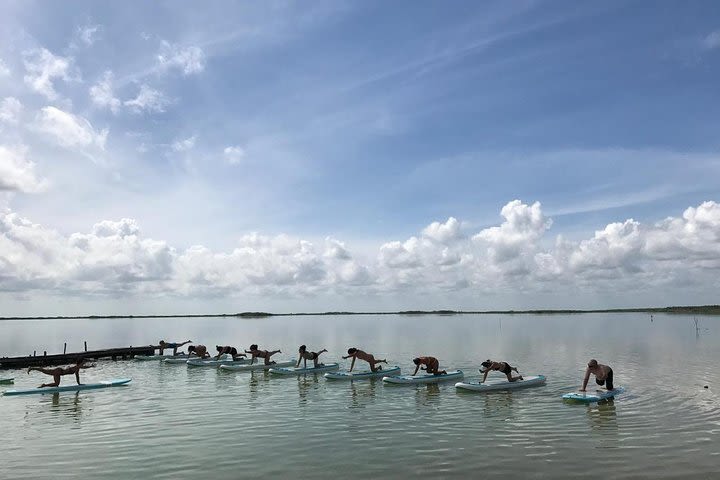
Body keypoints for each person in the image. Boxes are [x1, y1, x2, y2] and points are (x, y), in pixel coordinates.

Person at [27, 358, 96, 388]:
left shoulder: (76, 369)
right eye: (82, 363)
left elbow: (77, 377)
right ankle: (31, 368)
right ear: (80, 364)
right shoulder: (76, 367)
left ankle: (44, 385)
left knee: (56, 384)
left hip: (59, 372)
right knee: (44, 371)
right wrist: (90, 366)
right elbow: (83, 367)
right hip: (58, 371)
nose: (83, 364)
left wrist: (79, 384)